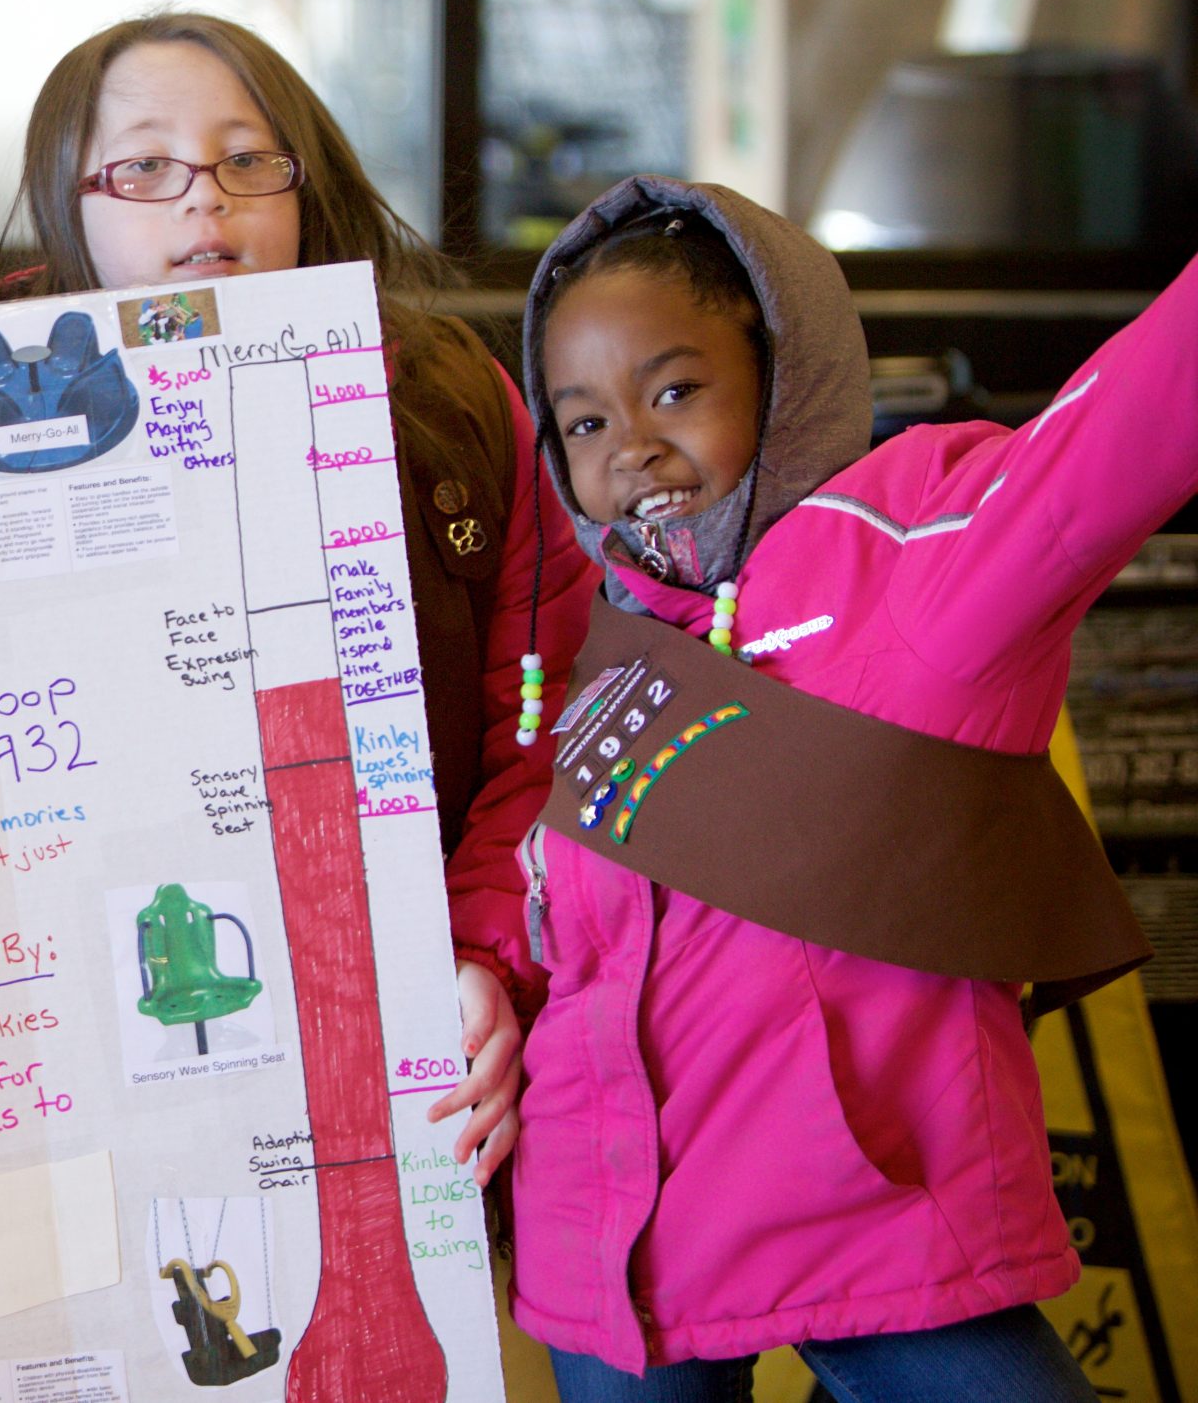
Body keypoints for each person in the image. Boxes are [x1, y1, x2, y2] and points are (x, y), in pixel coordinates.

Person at [511, 174, 1193, 1398]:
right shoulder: (589, 644)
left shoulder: (912, 566)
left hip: (866, 1222)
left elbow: (1131, 424)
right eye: (586, 423)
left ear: (785, 376)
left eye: (675, 389)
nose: (636, 449)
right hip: (606, 1248)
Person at [1, 11, 596, 1182]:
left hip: (400, 1019)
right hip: (77, 1050)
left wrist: (478, 953)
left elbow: (543, 717)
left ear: (302, 182)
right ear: (69, 202)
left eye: (246, 158)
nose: (203, 199)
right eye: (143, 165)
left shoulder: (446, 401)